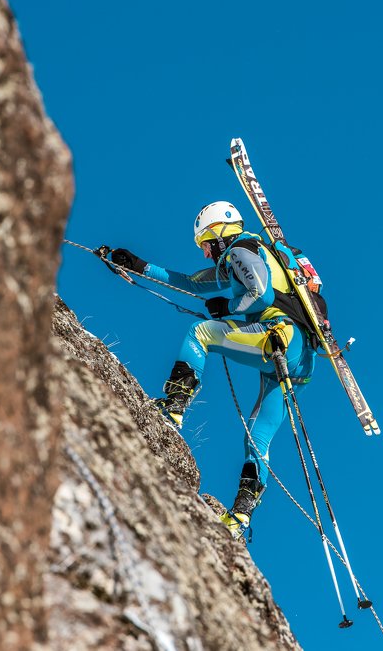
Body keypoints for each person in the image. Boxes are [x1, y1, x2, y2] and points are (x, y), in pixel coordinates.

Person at [105, 201, 317, 539]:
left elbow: (260, 295)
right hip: (302, 359)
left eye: (204, 243)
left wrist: (227, 306)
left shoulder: (240, 250)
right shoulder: (246, 256)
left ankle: (174, 408)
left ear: (218, 233)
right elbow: (191, 284)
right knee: (257, 436)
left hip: (278, 336)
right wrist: (140, 266)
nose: (204, 253)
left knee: (200, 333)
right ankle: (240, 517)